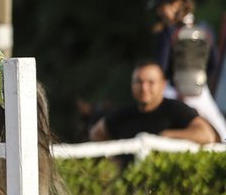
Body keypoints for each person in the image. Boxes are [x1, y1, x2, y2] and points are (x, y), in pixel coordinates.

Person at [146, 0, 226, 140]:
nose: (161, 14)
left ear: (176, 3)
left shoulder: (167, 33)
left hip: (171, 91)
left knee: (152, 133)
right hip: (200, 94)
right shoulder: (204, 30)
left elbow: (161, 68)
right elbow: (213, 64)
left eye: (162, 8)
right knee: (223, 134)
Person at [89, 60, 219, 145]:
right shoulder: (123, 113)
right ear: (132, 85)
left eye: (151, 82)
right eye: (139, 82)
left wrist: (166, 136)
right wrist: (113, 158)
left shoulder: (176, 109)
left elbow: (206, 135)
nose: (144, 88)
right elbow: (96, 133)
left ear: (163, 84)